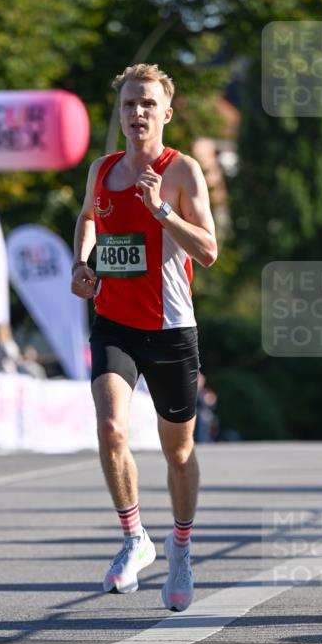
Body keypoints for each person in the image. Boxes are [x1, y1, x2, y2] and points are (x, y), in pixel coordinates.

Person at [71, 63, 217, 612]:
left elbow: (208, 250)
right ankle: (134, 536)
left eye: (147, 105)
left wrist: (160, 211)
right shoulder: (102, 169)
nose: (137, 114)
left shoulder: (183, 173)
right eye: (129, 104)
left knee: (177, 452)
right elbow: (89, 218)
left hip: (173, 329)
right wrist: (81, 262)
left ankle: (180, 548)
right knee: (111, 425)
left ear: (166, 114)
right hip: (114, 322)